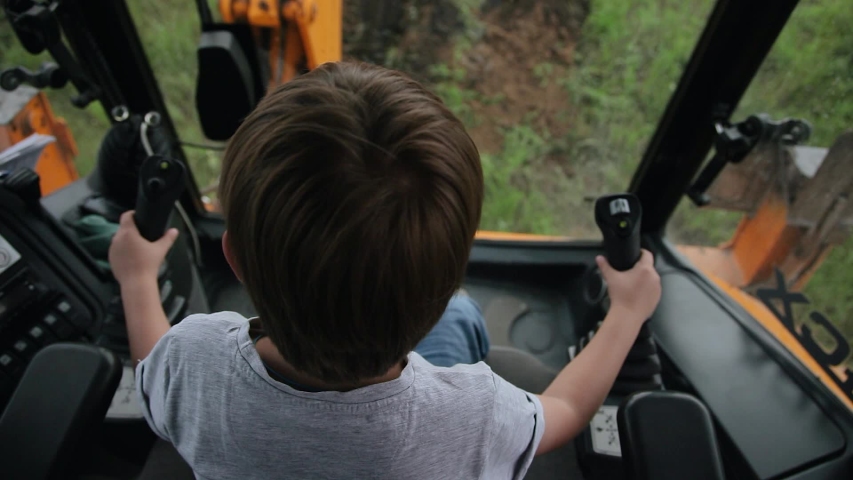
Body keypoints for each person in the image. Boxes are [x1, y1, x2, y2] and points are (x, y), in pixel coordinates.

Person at [109, 61, 661, 479]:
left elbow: (154, 360)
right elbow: (564, 410)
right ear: (444, 286)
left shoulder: (193, 360)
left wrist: (137, 279)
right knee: (466, 319)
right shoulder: (474, 415)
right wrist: (628, 311)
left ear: (235, 259)